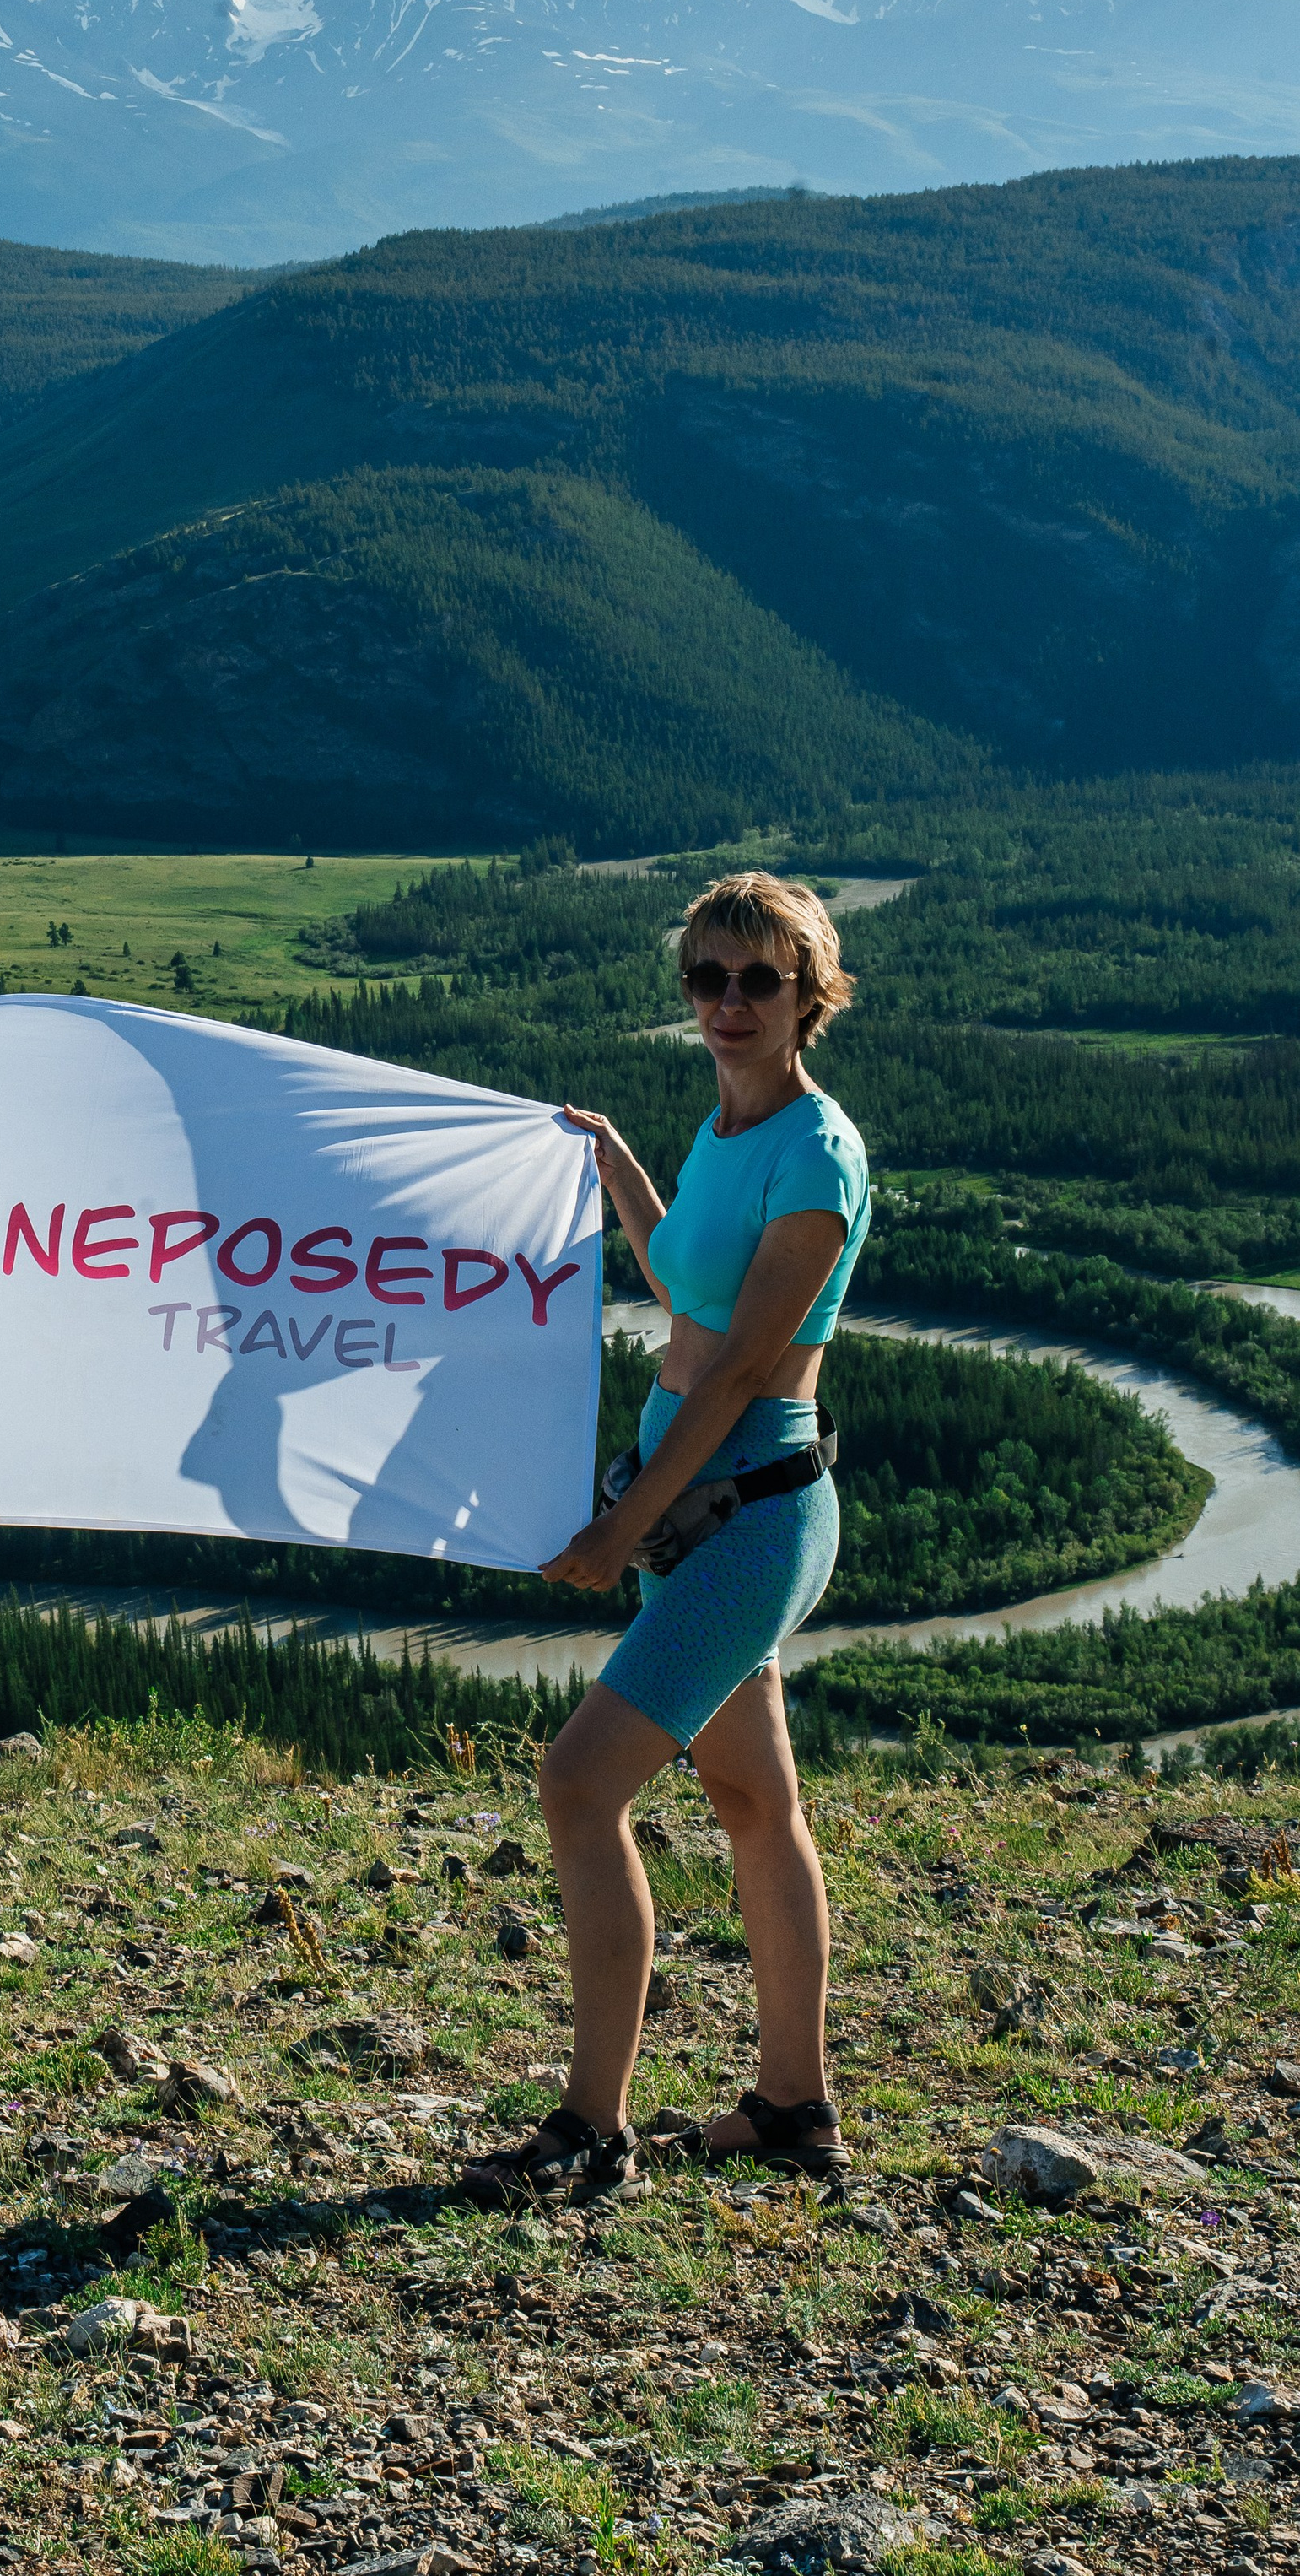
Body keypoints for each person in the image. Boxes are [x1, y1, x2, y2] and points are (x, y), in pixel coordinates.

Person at [463, 873, 869, 2206]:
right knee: (756, 1804)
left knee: (580, 1787)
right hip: (703, 1510)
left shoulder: (816, 1151)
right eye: (709, 978)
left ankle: (591, 2126)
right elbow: (678, 1283)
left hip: (747, 1515)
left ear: (813, 991)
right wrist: (620, 1166)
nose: (732, 1003)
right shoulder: (724, 1129)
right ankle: (794, 2108)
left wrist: (620, 1526)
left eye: (761, 979)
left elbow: (747, 1364)